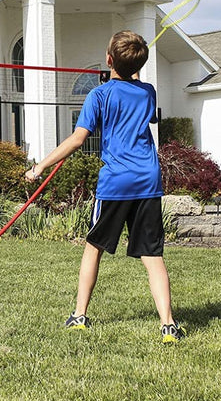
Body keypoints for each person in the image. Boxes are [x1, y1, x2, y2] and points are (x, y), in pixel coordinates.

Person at [25, 30, 182, 343]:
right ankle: (168, 325)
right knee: (152, 256)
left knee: (93, 249)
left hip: (116, 185)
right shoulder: (149, 91)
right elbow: (145, 112)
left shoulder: (99, 95)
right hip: (148, 182)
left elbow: (77, 138)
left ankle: (80, 316)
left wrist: (40, 167)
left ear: (109, 60)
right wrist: (133, 70)